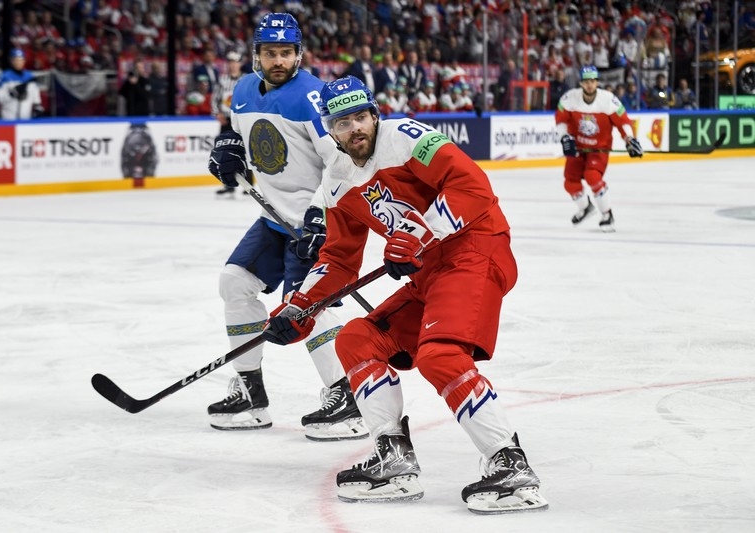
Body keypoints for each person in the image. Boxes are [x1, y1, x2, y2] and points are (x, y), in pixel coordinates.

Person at [260, 75, 549, 514]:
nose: (355, 128)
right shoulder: (336, 181)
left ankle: (510, 465)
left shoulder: (407, 137)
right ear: (330, 130)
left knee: (440, 354)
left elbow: (473, 187)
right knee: (356, 340)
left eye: (361, 117)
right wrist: (298, 307)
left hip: (475, 249)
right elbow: (339, 260)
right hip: (430, 272)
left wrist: (417, 234)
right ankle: (393, 459)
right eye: (342, 122)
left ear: (375, 115)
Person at [206, 13, 366, 441]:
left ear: (299, 54)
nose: (279, 60)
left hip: (321, 220)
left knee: (309, 306)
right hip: (275, 219)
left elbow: (342, 162)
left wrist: (320, 214)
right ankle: (250, 394)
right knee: (234, 281)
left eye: (286, 53)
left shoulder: (313, 97)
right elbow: (239, 132)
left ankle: (346, 399)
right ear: (256, 55)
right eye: (270, 53)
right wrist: (227, 147)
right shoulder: (242, 90)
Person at [555, 65, 643, 232]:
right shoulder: (569, 99)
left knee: (592, 176)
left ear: (597, 82)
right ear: (581, 83)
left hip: (599, 149)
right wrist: (564, 137)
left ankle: (607, 214)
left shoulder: (608, 100)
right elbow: (561, 121)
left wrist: (629, 140)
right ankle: (586, 208)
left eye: (593, 81)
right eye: (587, 81)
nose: (590, 85)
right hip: (578, 148)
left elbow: (623, 122)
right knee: (570, 182)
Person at [211, 51, 246, 196]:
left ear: (240, 64)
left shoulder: (245, 80)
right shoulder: (222, 79)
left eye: (235, 62)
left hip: (241, 120)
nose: (233, 65)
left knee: (245, 151)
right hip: (226, 119)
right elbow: (215, 98)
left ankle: (247, 184)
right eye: (230, 62)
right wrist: (216, 113)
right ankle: (228, 183)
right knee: (224, 151)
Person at [0, 49, 43, 120]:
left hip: (25, 115)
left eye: (20, 60)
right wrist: (10, 95)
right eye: (16, 60)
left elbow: (35, 93)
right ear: (11, 61)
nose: (18, 63)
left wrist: (37, 105)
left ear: (24, 61)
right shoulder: (4, 76)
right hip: (9, 115)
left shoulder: (29, 76)